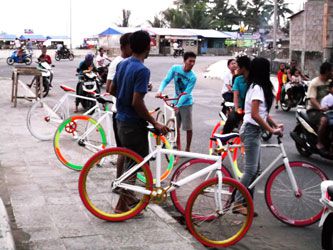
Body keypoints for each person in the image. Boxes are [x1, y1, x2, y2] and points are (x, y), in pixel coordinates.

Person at [110, 30, 169, 213]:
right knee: (136, 165)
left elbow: (112, 90)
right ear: (147, 47)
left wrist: (124, 100)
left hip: (120, 119)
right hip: (133, 124)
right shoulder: (142, 70)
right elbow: (137, 101)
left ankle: (127, 201)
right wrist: (155, 122)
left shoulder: (123, 64)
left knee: (130, 162)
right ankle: (122, 205)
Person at [233, 57, 283, 216]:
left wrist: (275, 125)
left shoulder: (258, 87)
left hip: (253, 130)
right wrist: (271, 130)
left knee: (256, 170)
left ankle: (246, 204)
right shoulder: (257, 88)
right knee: (250, 170)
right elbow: (254, 115)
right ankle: (237, 202)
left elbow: (263, 114)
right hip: (250, 130)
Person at [156, 51, 197, 152]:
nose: (192, 64)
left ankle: (187, 149)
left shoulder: (192, 77)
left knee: (188, 127)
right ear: (184, 61)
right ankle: (178, 146)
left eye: (194, 62)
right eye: (190, 61)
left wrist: (178, 105)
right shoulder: (175, 69)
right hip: (176, 100)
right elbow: (166, 80)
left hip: (186, 103)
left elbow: (186, 93)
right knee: (176, 126)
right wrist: (159, 91)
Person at [306, 62, 333, 157]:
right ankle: (319, 142)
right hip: (314, 110)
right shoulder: (315, 83)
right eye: (331, 70)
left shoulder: (330, 81)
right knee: (324, 120)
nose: (332, 72)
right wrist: (320, 107)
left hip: (329, 109)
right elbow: (312, 99)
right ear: (327, 71)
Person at [223, 56, 251, 134]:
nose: (236, 68)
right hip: (240, 106)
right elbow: (236, 95)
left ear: (243, 68)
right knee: (232, 119)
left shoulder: (253, 80)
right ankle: (223, 139)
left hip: (251, 108)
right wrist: (236, 108)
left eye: (238, 67)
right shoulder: (238, 79)